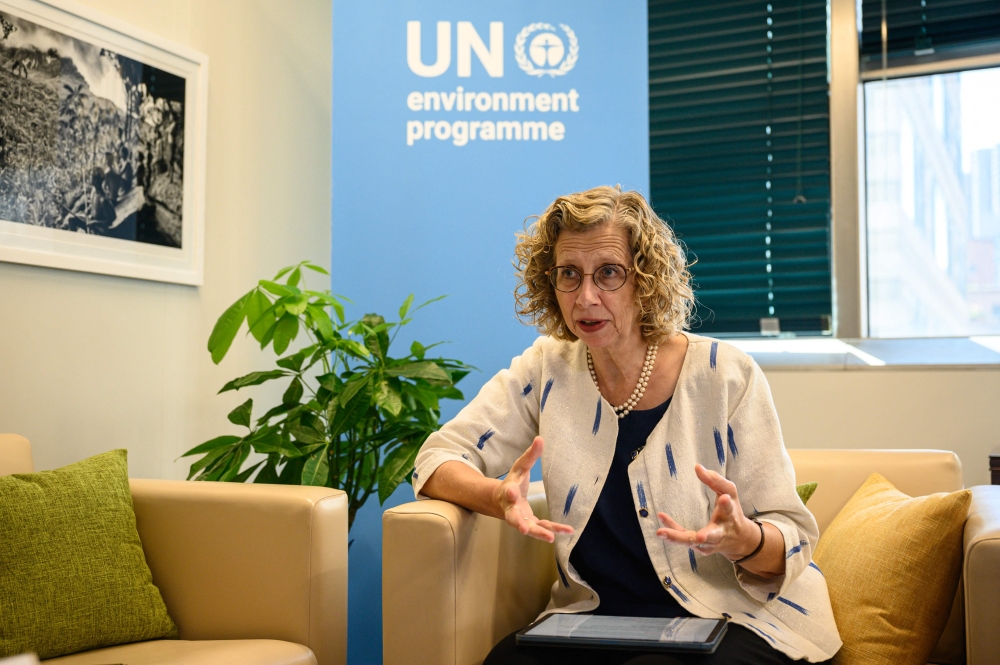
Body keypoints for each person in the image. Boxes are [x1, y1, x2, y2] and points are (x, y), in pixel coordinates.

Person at [413, 186, 841, 664]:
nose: (586, 297)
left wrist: (745, 540)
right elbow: (436, 459)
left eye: (609, 273)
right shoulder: (547, 367)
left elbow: (791, 534)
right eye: (569, 274)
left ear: (646, 279)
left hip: (737, 616)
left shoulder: (725, 374)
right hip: (599, 620)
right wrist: (496, 496)